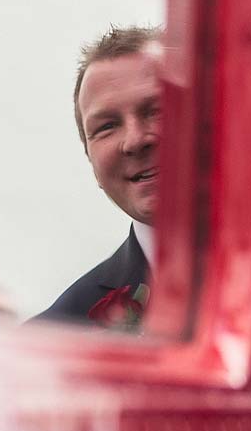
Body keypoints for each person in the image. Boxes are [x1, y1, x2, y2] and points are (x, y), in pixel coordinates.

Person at [36, 25, 161, 324]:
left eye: (157, 110)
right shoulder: (59, 331)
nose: (134, 140)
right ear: (89, 157)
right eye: (106, 127)